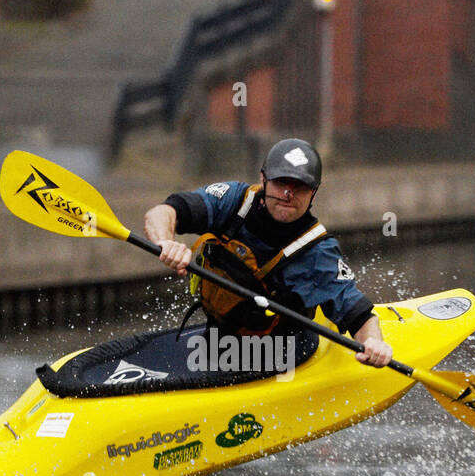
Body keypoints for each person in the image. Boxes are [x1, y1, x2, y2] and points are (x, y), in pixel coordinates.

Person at [145, 137, 393, 367]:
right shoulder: (234, 201)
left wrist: (374, 343)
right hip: (220, 339)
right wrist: (166, 242)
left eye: (300, 187)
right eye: (281, 182)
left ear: (314, 191)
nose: (288, 194)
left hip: (282, 354)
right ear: (263, 180)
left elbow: (359, 315)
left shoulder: (317, 251)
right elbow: (164, 212)